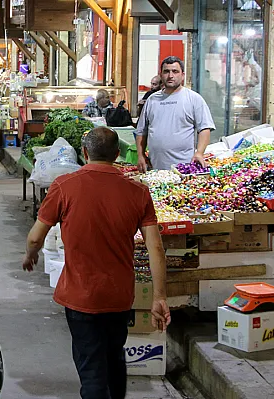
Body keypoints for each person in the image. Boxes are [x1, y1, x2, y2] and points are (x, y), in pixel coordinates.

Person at [22, 127, 171, 399]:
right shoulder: (138, 191)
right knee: (114, 357)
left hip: (80, 296)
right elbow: (156, 247)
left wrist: (31, 255)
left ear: (85, 152)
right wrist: (159, 297)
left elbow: (35, 237)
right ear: (117, 155)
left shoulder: (64, 186)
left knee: (91, 369)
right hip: (119, 296)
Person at [136, 56, 216, 172]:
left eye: (175, 71)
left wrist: (199, 153)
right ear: (161, 74)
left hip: (184, 169)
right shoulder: (152, 100)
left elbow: (204, 128)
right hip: (155, 167)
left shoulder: (194, 99)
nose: (170, 76)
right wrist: (140, 155)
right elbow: (141, 131)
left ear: (182, 75)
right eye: (166, 71)